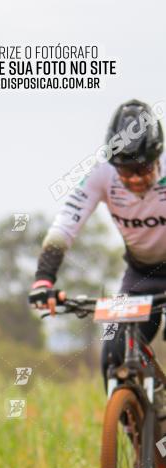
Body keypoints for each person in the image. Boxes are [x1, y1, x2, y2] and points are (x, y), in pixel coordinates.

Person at [30, 99, 166, 412]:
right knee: (113, 355)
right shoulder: (101, 174)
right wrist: (43, 280)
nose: (132, 179)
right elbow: (65, 225)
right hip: (140, 276)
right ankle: (139, 440)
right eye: (124, 170)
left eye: (142, 168)